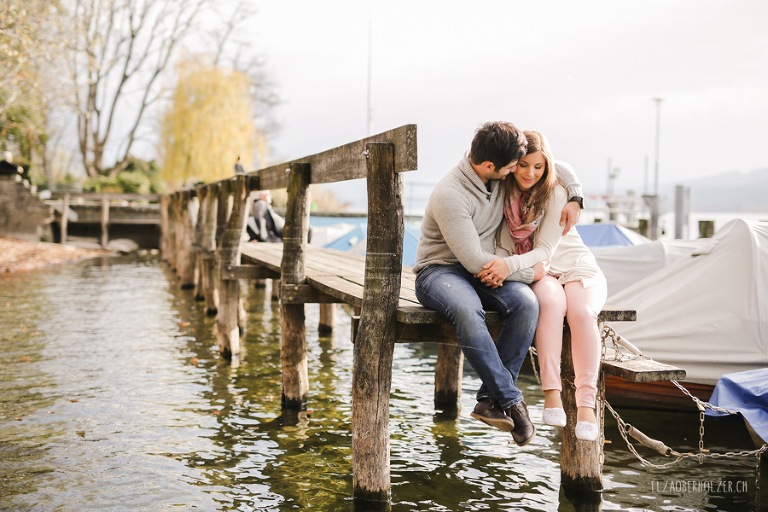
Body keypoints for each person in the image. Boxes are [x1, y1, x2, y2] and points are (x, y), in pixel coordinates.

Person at [412, 121, 584, 446]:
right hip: (440, 272)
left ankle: (488, 400)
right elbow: (475, 262)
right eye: (511, 167)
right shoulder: (451, 194)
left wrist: (575, 194)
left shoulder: (497, 174)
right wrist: (529, 273)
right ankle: (513, 402)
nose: (517, 172)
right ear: (491, 166)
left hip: (485, 270)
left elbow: (547, 162)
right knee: (467, 309)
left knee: (525, 302)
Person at [477, 130, 607, 442]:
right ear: (512, 165)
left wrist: (576, 196)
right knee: (547, 305)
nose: (530, 173)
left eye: (538, 166)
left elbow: (546, 248)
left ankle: (586, 405)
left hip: (572, 265)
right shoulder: (503, 195)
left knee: (580, 313)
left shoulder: (556, 192)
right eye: (523, 165)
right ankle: (552, 393)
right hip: (539, 274)